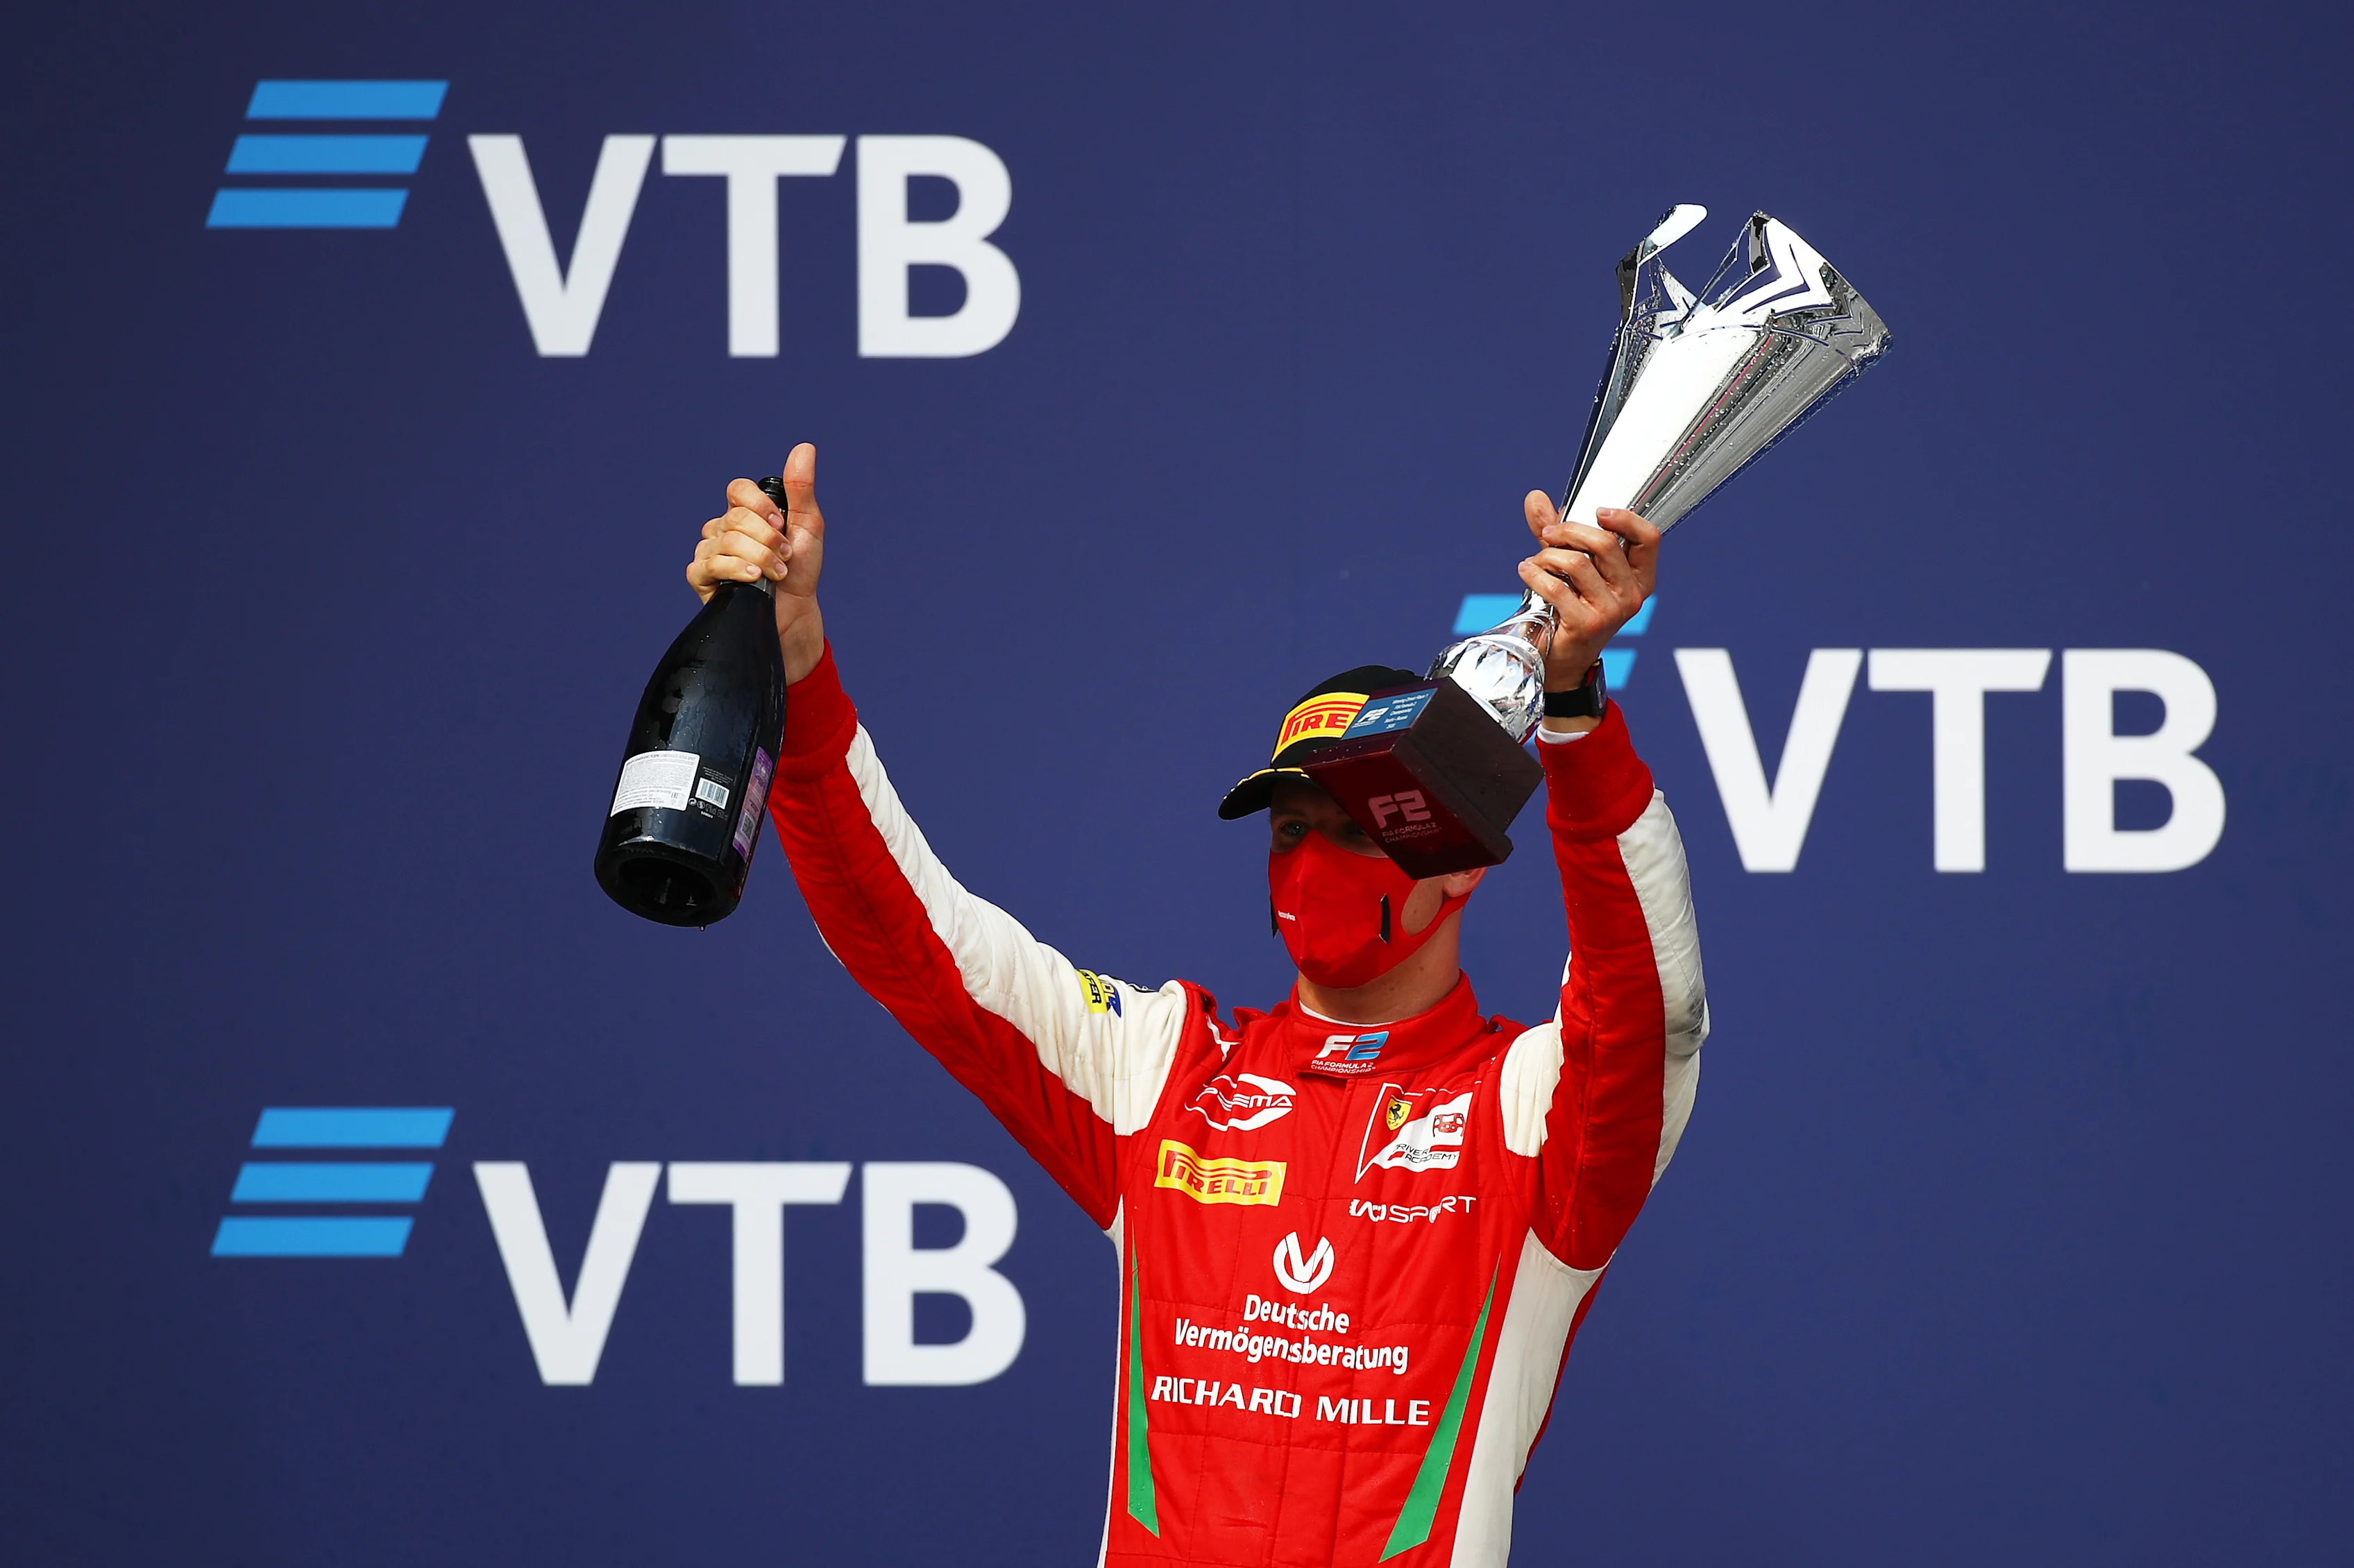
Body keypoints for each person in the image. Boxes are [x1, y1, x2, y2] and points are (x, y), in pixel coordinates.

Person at [688, 443, 1707, 1568]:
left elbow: (1649, 1011)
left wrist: (1573, 714)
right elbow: (916, 945)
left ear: (1460, 859)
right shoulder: (1167, 1067)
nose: (1314, 858)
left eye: (1357, 824)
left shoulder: (1530, 1112)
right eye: (1289, 828)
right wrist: (798, 669)